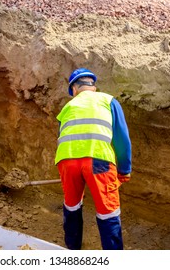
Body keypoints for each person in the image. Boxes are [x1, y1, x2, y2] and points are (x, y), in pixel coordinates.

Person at [55, 68, 132, 250]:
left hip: (67, 160)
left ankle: (72, 249)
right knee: (108, 211)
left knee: (72, 205)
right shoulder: (108, 100)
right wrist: (124, 169)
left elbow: (61, 137)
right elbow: (122, 138)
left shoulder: (67, 108)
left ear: (74, 89)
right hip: (99, 161)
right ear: (93, 87)